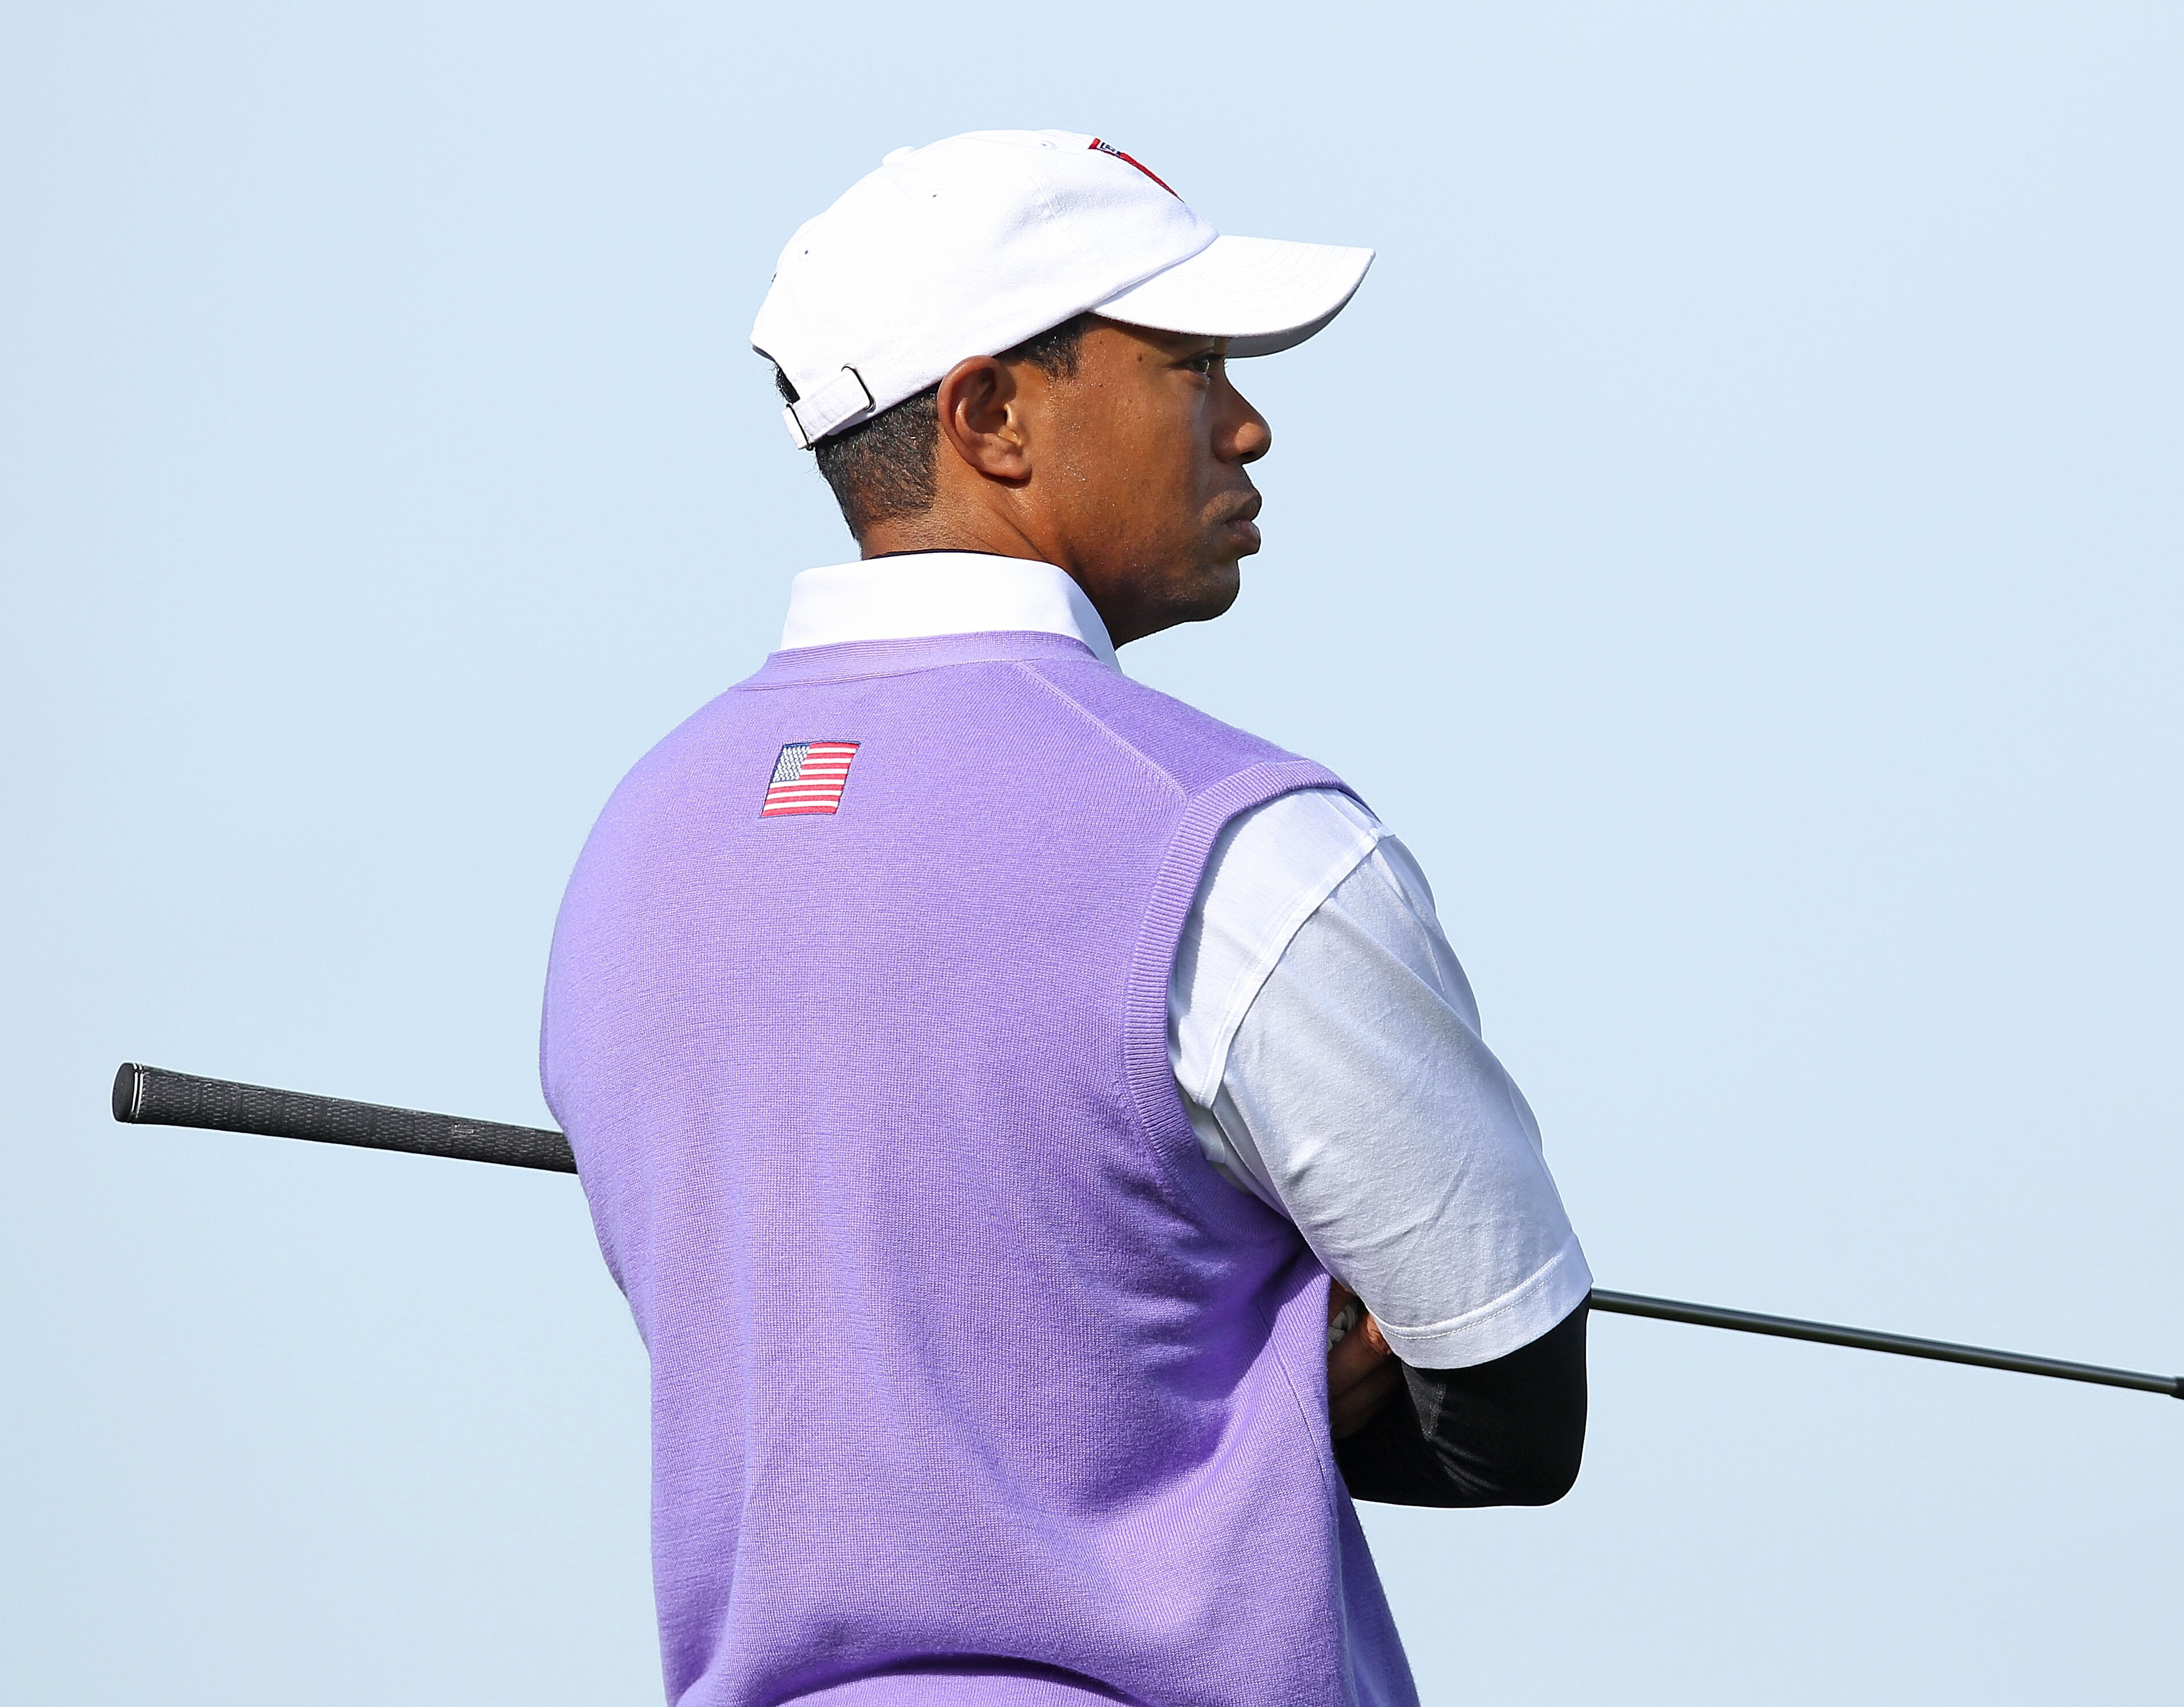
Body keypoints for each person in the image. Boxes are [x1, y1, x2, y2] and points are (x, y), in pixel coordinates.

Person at [541, 129, 1591, 1707]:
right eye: (1188, 366)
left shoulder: (630, 841)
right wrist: (1258, 1406)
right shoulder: (1242, 842)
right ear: (989, 416)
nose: (1247, 423)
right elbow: (1512, 1406)